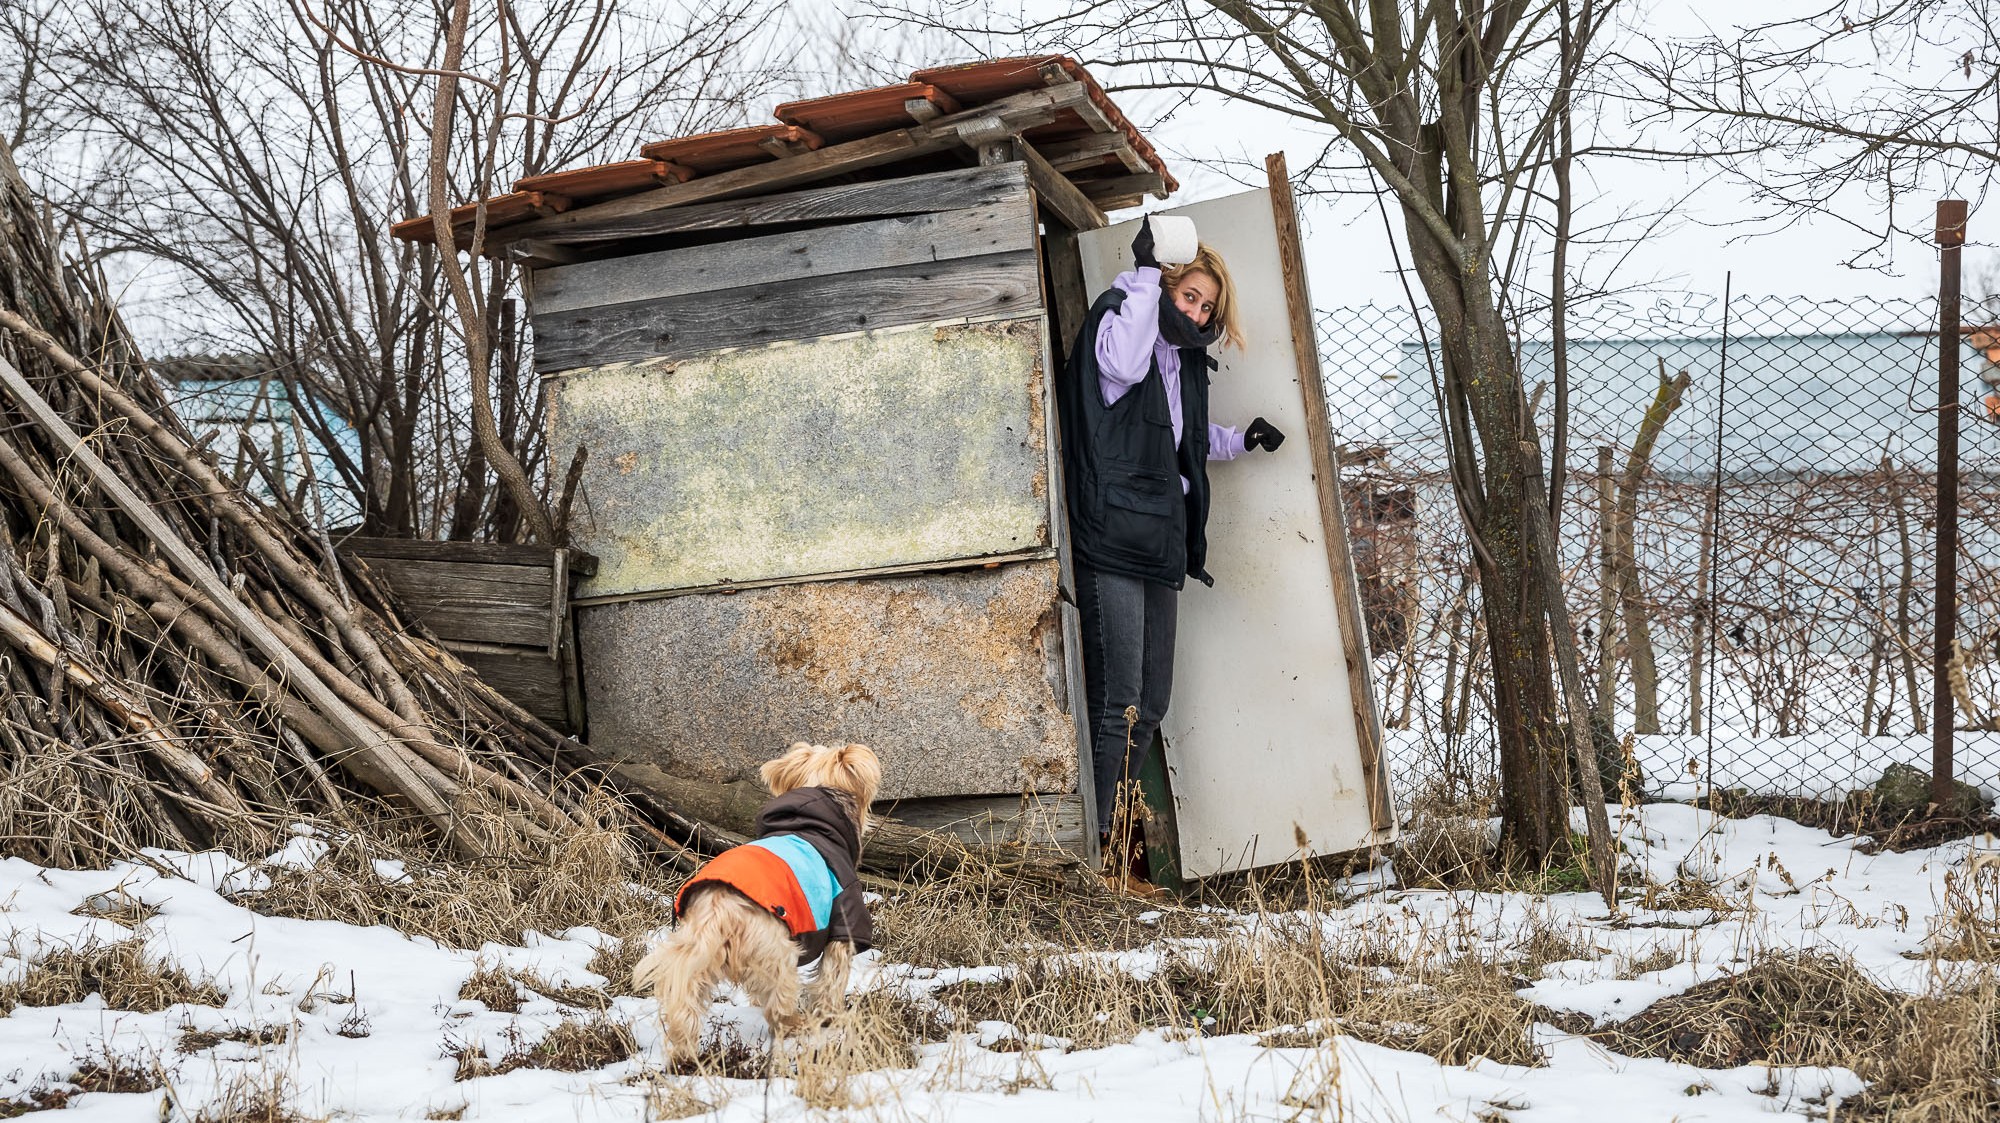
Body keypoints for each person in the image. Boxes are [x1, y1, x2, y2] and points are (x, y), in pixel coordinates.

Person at [1056, 217, 1285, 887]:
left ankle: (1112, 852)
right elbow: (1121, 367)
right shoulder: (1121, 322)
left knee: (1149, 706)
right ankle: (1093, 857)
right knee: (1116, 703)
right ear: (1166, 285)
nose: (1198, 311)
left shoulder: (1184, 359)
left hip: (1162, 539)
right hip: (1113, 540)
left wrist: (1241, 441)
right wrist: (1145, 273)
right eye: (1190, 296)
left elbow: (1182, 440)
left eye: (1207, 305)